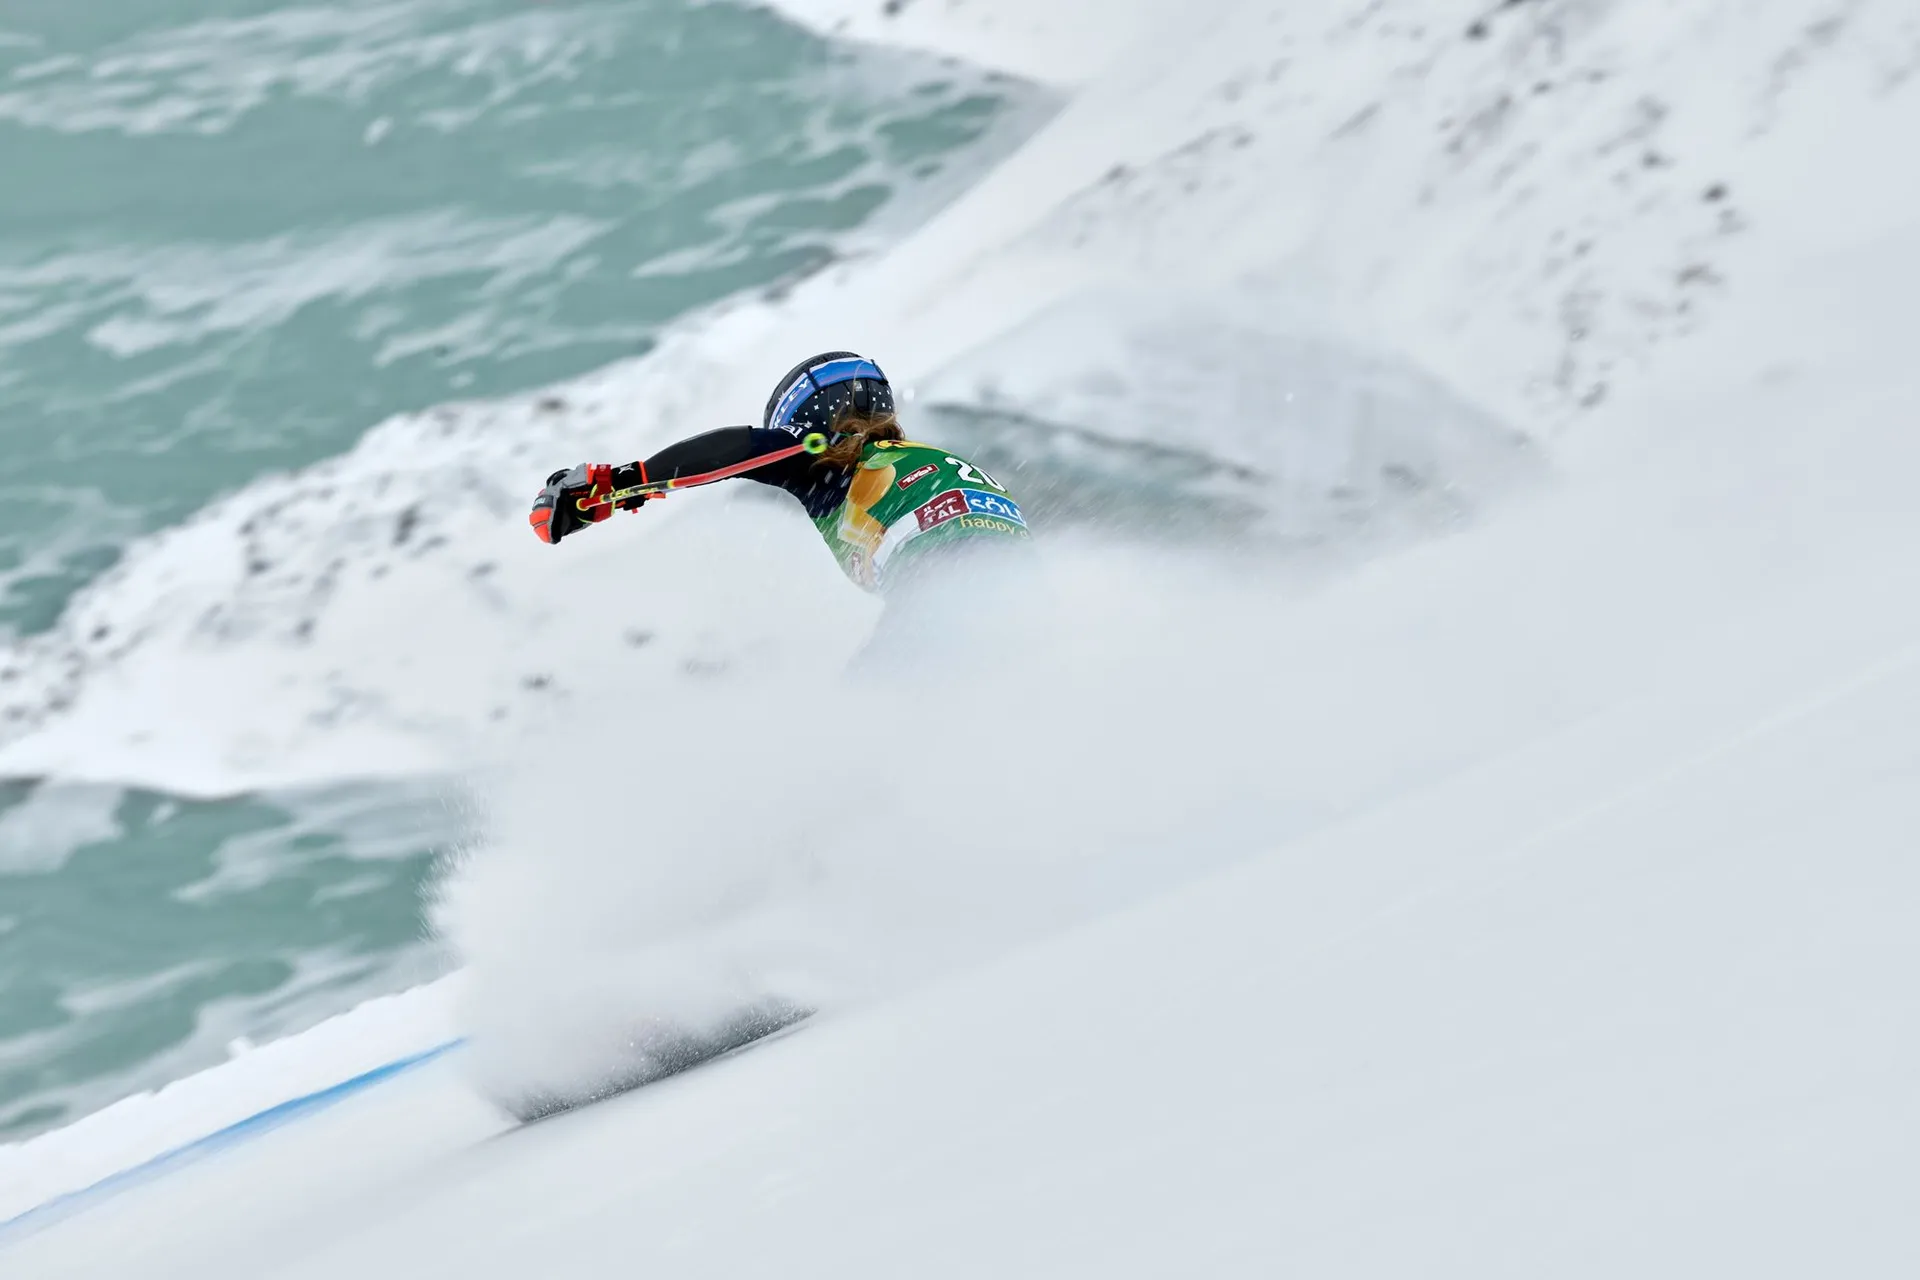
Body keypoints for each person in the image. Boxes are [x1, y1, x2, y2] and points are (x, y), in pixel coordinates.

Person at [528, 352, 1032, 601]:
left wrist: (618, 485)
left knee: (866, 718)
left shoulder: (821, 455)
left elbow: (730, 450)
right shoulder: (923, 456)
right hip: (1023, 585)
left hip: (937, 573)